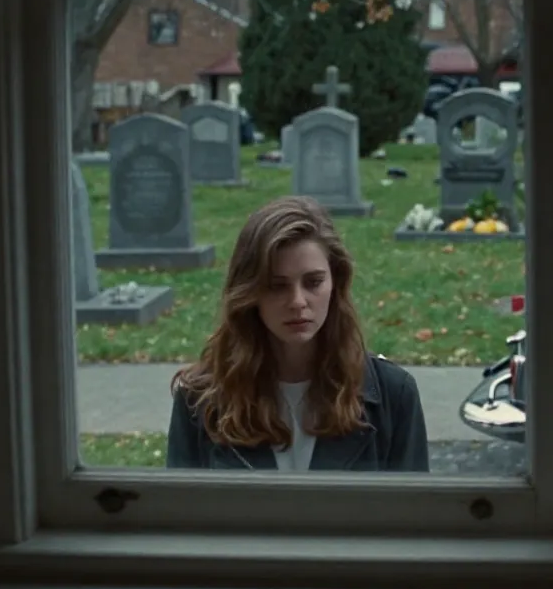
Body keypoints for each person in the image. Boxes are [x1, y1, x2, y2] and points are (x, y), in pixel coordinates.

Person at [166, 196, 430, 471]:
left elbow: (411, 499)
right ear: (249, 292)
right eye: (277, 286)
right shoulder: (200, 400)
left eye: (313, 282)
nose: (297, 302)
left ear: (336, 282)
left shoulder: (393, 395)